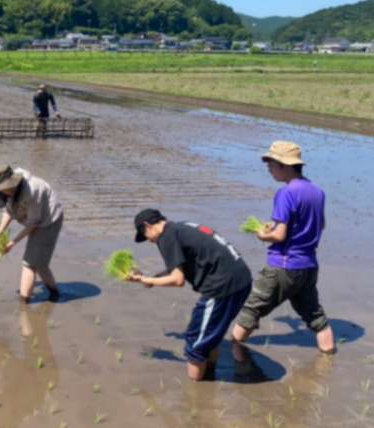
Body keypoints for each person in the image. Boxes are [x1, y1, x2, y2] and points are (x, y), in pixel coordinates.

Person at [232, 141, 335, 354]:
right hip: (308, 266)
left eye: (271, 165)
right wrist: (279, 226)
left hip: (284, 265)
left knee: (251, 310)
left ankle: (233, 355)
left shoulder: (286, 193)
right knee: (315, 316)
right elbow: (320, 224)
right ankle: (328, 357)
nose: (269, 169)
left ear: (285, 165)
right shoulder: (317, 191)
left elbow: (280, 235)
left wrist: (263, 234)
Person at [129, 208, 252, 381]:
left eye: (145, 236)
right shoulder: (181, 228)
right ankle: (210, 377)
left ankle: (196, 396)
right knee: (211, 335)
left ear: (148, 226)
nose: (149, 241)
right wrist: (150, 279)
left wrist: (146, 280)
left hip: (222, 287)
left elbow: (177, 280)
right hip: (242, 279)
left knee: (195, 344)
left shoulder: (166, 237)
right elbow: (180, 267)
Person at [0, 165, 62, 303]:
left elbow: (34, 223)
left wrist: (12, 243)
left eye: (5, 188)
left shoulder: (32, 190)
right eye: (1, 189)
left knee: (29, 263)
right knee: (40, 263)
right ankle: (55, 293)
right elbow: (9, 211)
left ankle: (24, 305)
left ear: (12, 183)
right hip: (37, 218)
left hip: (49, 220)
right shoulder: (9, 191)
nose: (3, 192)